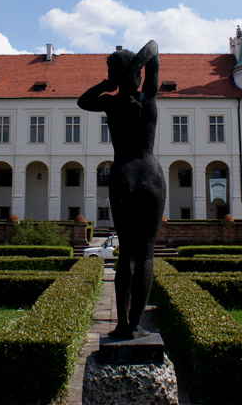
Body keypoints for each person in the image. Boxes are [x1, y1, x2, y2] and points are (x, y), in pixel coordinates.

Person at [78, 40, 166, 339]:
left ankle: (122, 326)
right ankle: (137, 324)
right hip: (151, 174)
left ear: (117, 74)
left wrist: (109, 82)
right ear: (138, 76)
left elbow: (84, 101)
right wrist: (140, 63)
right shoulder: (149, 99)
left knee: (126, 253)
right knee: (146, 254)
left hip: (124, 173)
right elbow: (154, 54)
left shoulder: (111, 102)